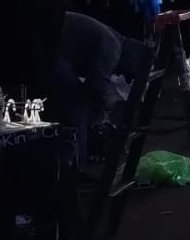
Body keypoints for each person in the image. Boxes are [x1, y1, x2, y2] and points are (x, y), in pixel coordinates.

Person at [51, 12, 146, 164]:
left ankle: (67, 157)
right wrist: (100, 112)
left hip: (50, 40)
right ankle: (75, 168)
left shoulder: (113, 38)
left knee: (74, 99)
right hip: (49, 47)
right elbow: (95, 86)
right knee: (78, 108)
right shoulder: (113, 49)